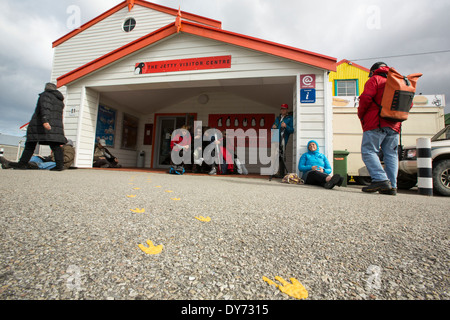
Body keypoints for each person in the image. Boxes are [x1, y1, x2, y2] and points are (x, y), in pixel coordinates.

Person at [358, 62, 400, 195]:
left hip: (375, 122)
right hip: (394, 124)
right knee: (391, 154)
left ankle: (380, 179)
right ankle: (392, 186)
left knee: (369, 151)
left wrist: (361, 115)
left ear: (373, 71)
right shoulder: (399, 82)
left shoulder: (375, 79)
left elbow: (365, 98)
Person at [13, 83, 67, 171]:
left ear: (46, 88)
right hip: (56, 126)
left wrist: (45, 121)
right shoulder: (59, 100)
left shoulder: (46, 95)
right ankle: (59, 166)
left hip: (40, 124)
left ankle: (22, 163)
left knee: (30, 144)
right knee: (55, 145)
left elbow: (45, 108)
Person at [1, 140, 75, 170]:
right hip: (51, 159)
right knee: (35, 158)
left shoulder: (68, 148)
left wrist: (53, 158)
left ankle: (10, 164)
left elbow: (67, 159)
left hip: (59, 163)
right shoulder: (60, 148)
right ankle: (18, 164)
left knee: (41, 165)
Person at [271, 104, 294, 178]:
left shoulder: (290, 118)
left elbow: (292, 130)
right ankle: (274, 171)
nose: (283, 110)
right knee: (273, 156)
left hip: (283, 139)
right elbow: (273, 127)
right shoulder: (278, 118)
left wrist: (286, 126)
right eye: (282, 109)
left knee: (281, 155)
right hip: (275, 139)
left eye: (284, 109)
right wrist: (273, 127)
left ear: (287, 110)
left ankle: (281, 172)